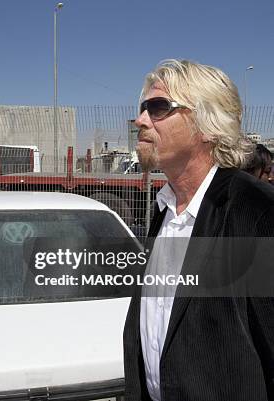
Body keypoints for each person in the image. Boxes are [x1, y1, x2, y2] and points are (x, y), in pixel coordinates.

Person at [123, 60, 274, 401]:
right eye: (142, 108)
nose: (140, 120)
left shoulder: (257, 214)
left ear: (207, 123)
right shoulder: (164, 210)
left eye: (158, 107)